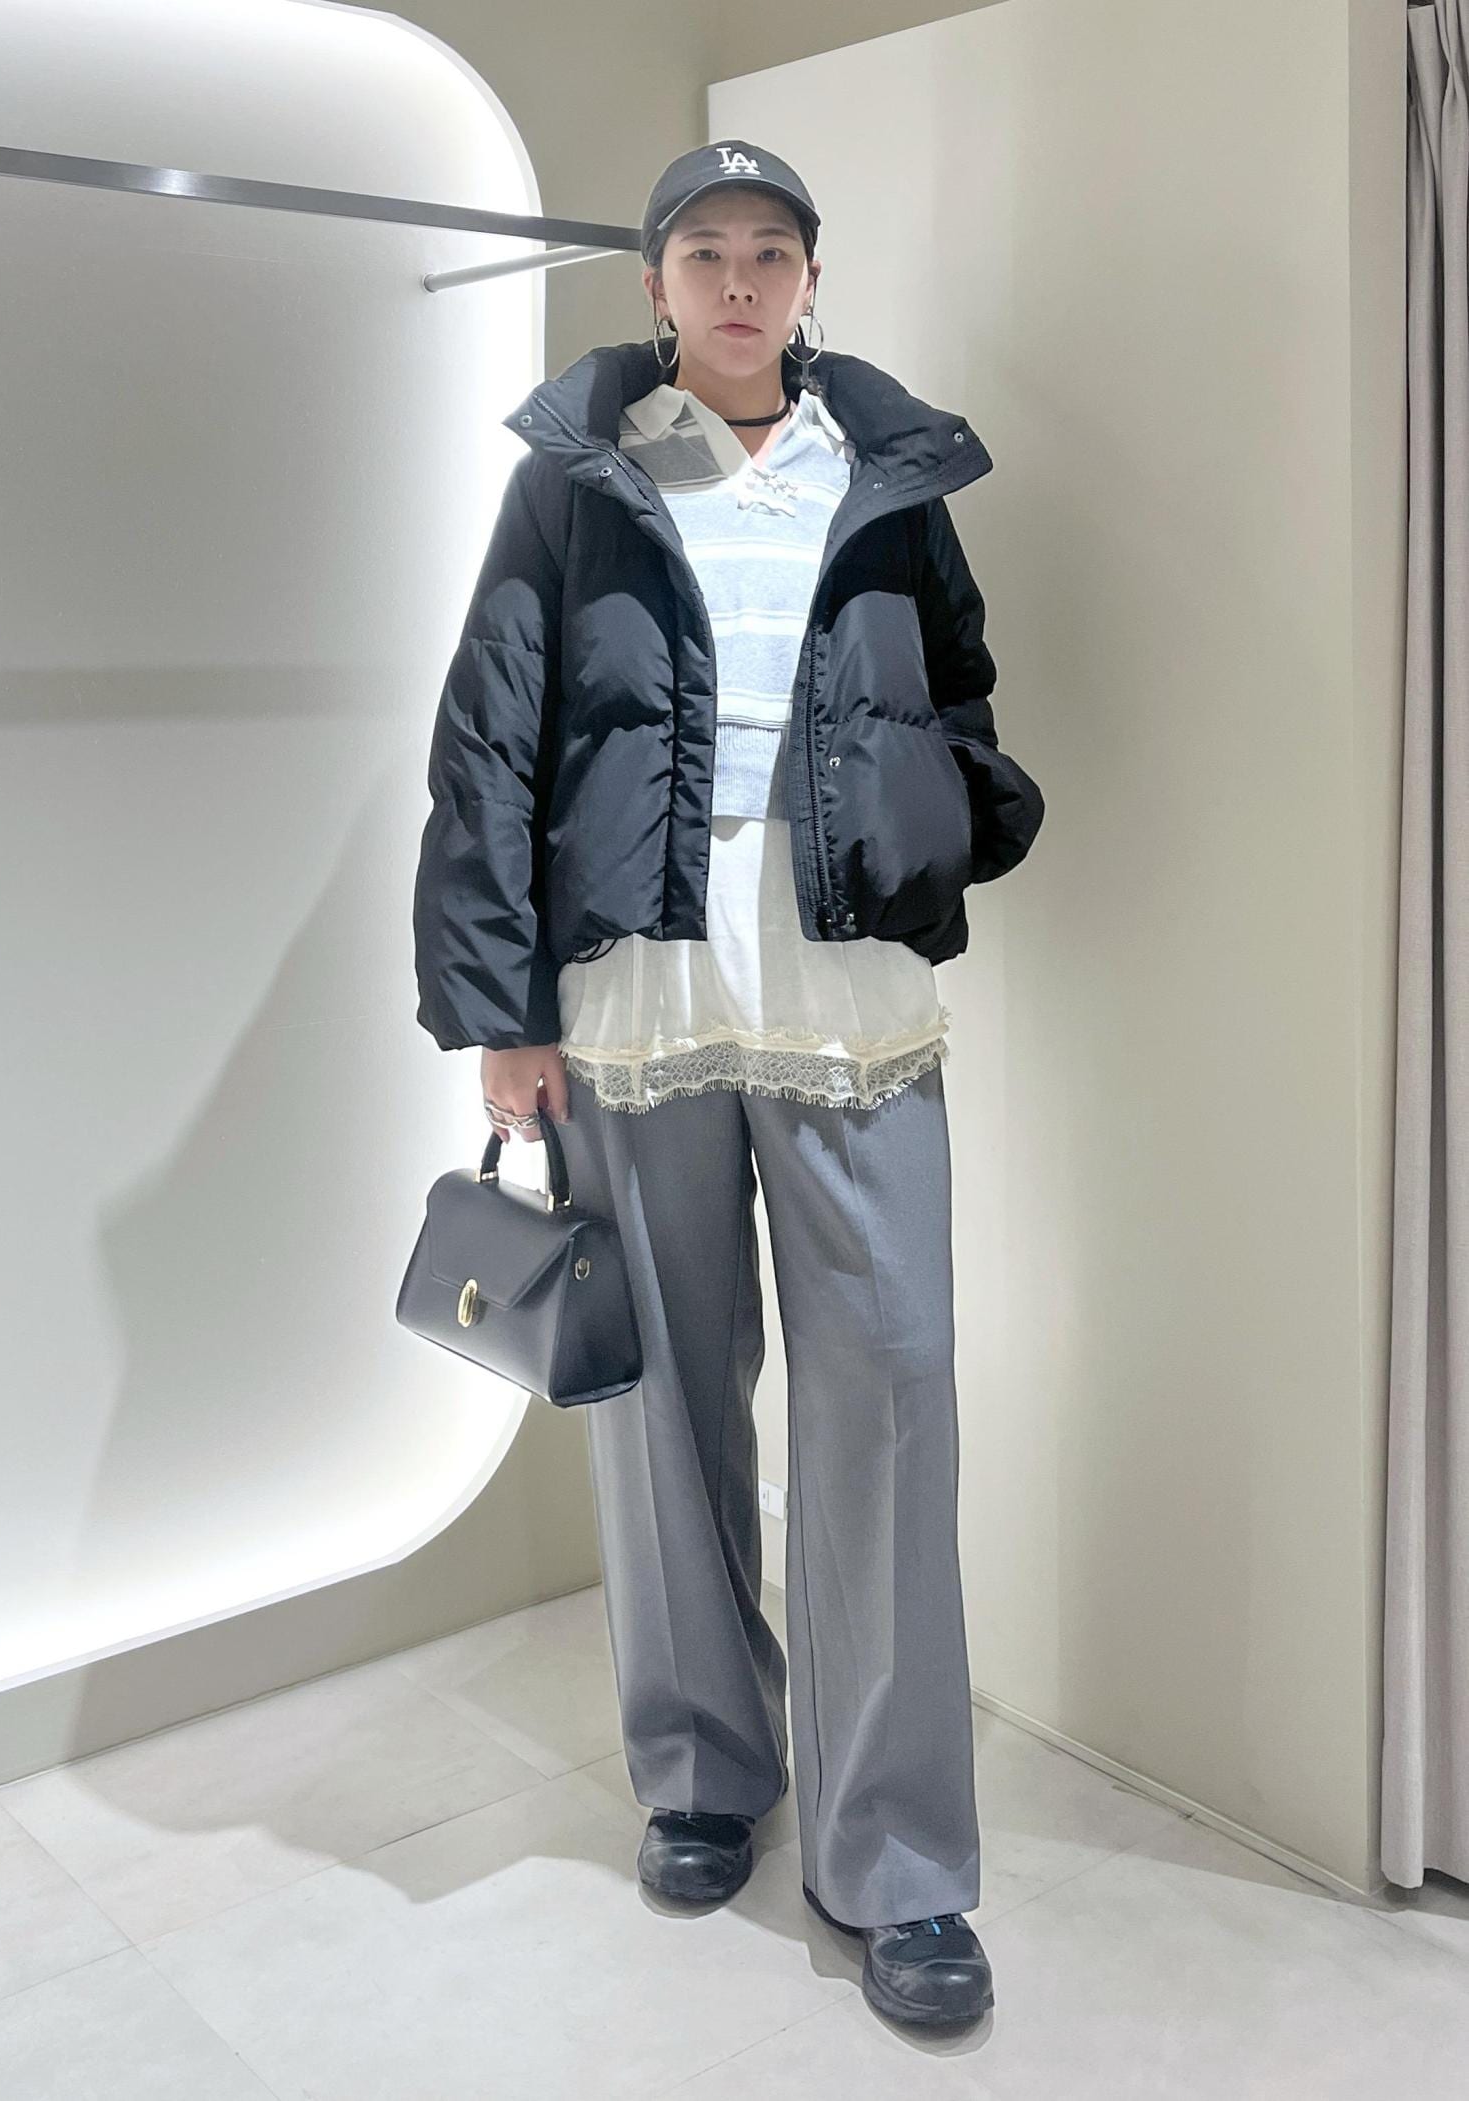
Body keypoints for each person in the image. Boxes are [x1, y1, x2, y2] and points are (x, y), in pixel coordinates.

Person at [412, 139, 1045, 2029]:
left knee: (894, 1395)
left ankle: (899, 1860)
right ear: (656, 285)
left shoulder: (887, 470)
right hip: (639, 998)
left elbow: (957, 687)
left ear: (812, 278)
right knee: (669, 1405)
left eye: (774, 251)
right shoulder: (576, 481)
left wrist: (943, 813)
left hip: (847, 992)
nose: (742, 280)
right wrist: (500, 1006)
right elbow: (491, 738)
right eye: (707, 253)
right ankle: (703, 1768)